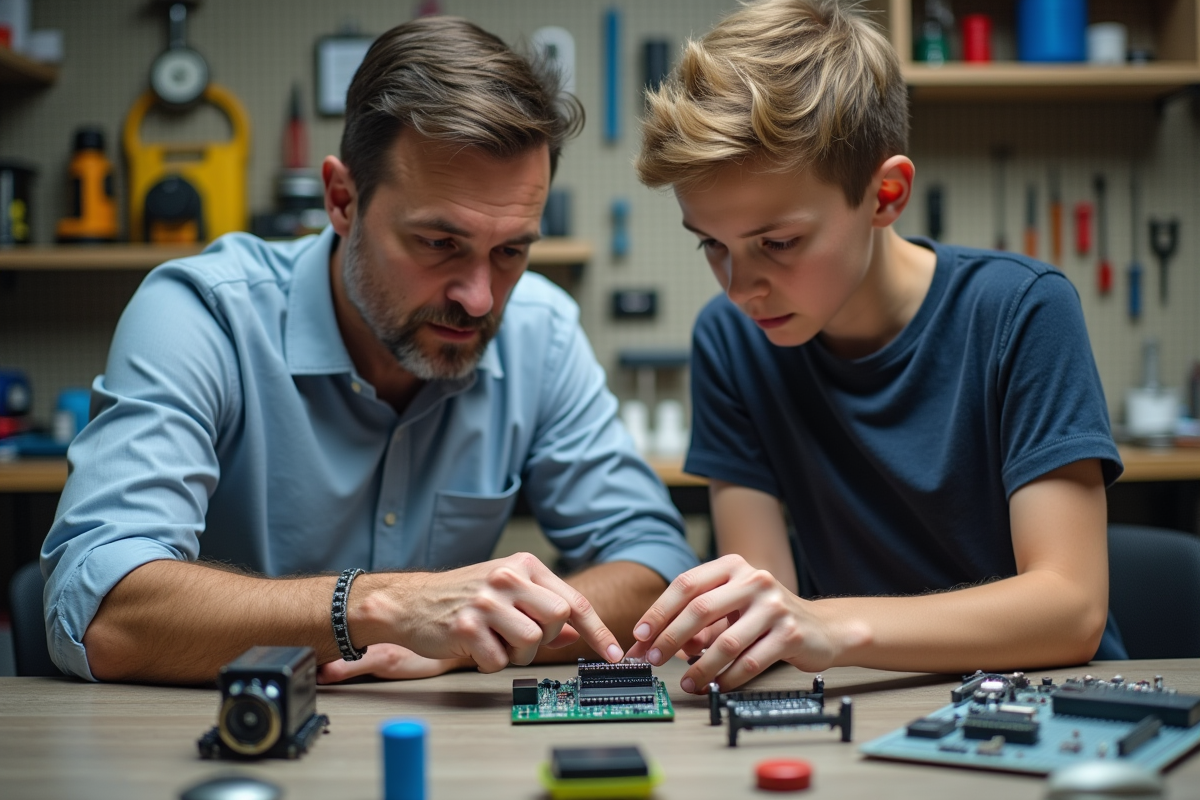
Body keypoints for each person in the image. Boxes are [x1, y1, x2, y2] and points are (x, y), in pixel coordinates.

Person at [42, 16, 697, 685]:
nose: (478, 298)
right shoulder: (202, 316)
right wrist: (376, 608)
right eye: (439, 243)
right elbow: (102, 616)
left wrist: (467, 638)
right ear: (342, 199)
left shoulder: (541, 332)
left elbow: (656, 566)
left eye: (510, 251)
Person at [626, 0, 1125, 694]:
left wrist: (830, 628)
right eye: (712, 243)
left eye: (778, 242)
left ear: (885, 194)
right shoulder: (731, 339)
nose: (741, 289)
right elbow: (762, 604)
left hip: (1042, 704)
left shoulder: (1021, 311)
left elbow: (1070, 610)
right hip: (860, 703)